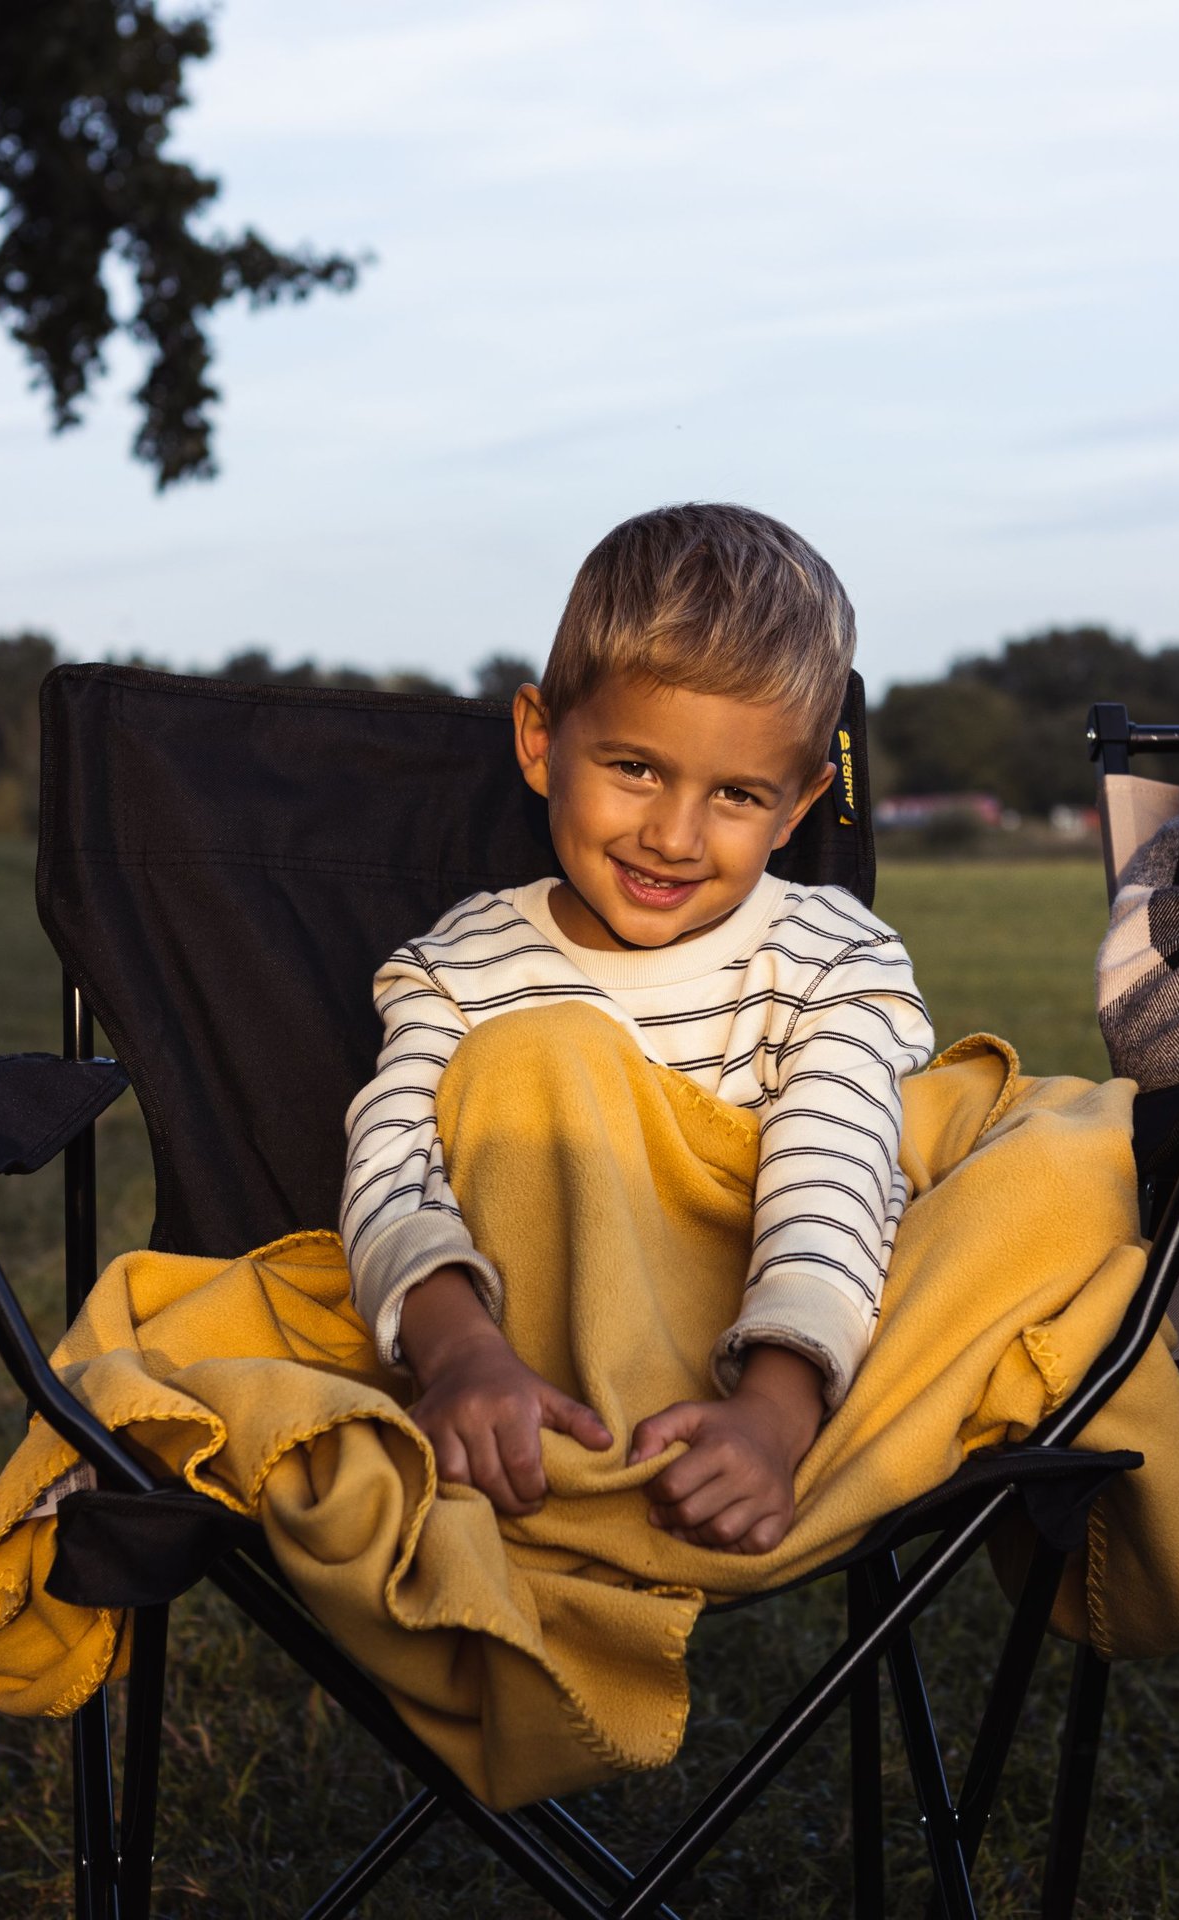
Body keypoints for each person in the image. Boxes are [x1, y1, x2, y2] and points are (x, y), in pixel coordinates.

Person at [339, 504, 933, 1555]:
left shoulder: (835, 958)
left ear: (796, 810)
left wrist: (775, 1411)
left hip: (775, 1348)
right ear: (539, 740)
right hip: (527, 1366)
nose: (673, 835)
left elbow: (833, 1179)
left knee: (1045, 1163)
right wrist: (462, 1356)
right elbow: (392, 1169)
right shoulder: (454, 971)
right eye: (636, 769)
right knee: (537, 1057)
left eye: (738, 794)